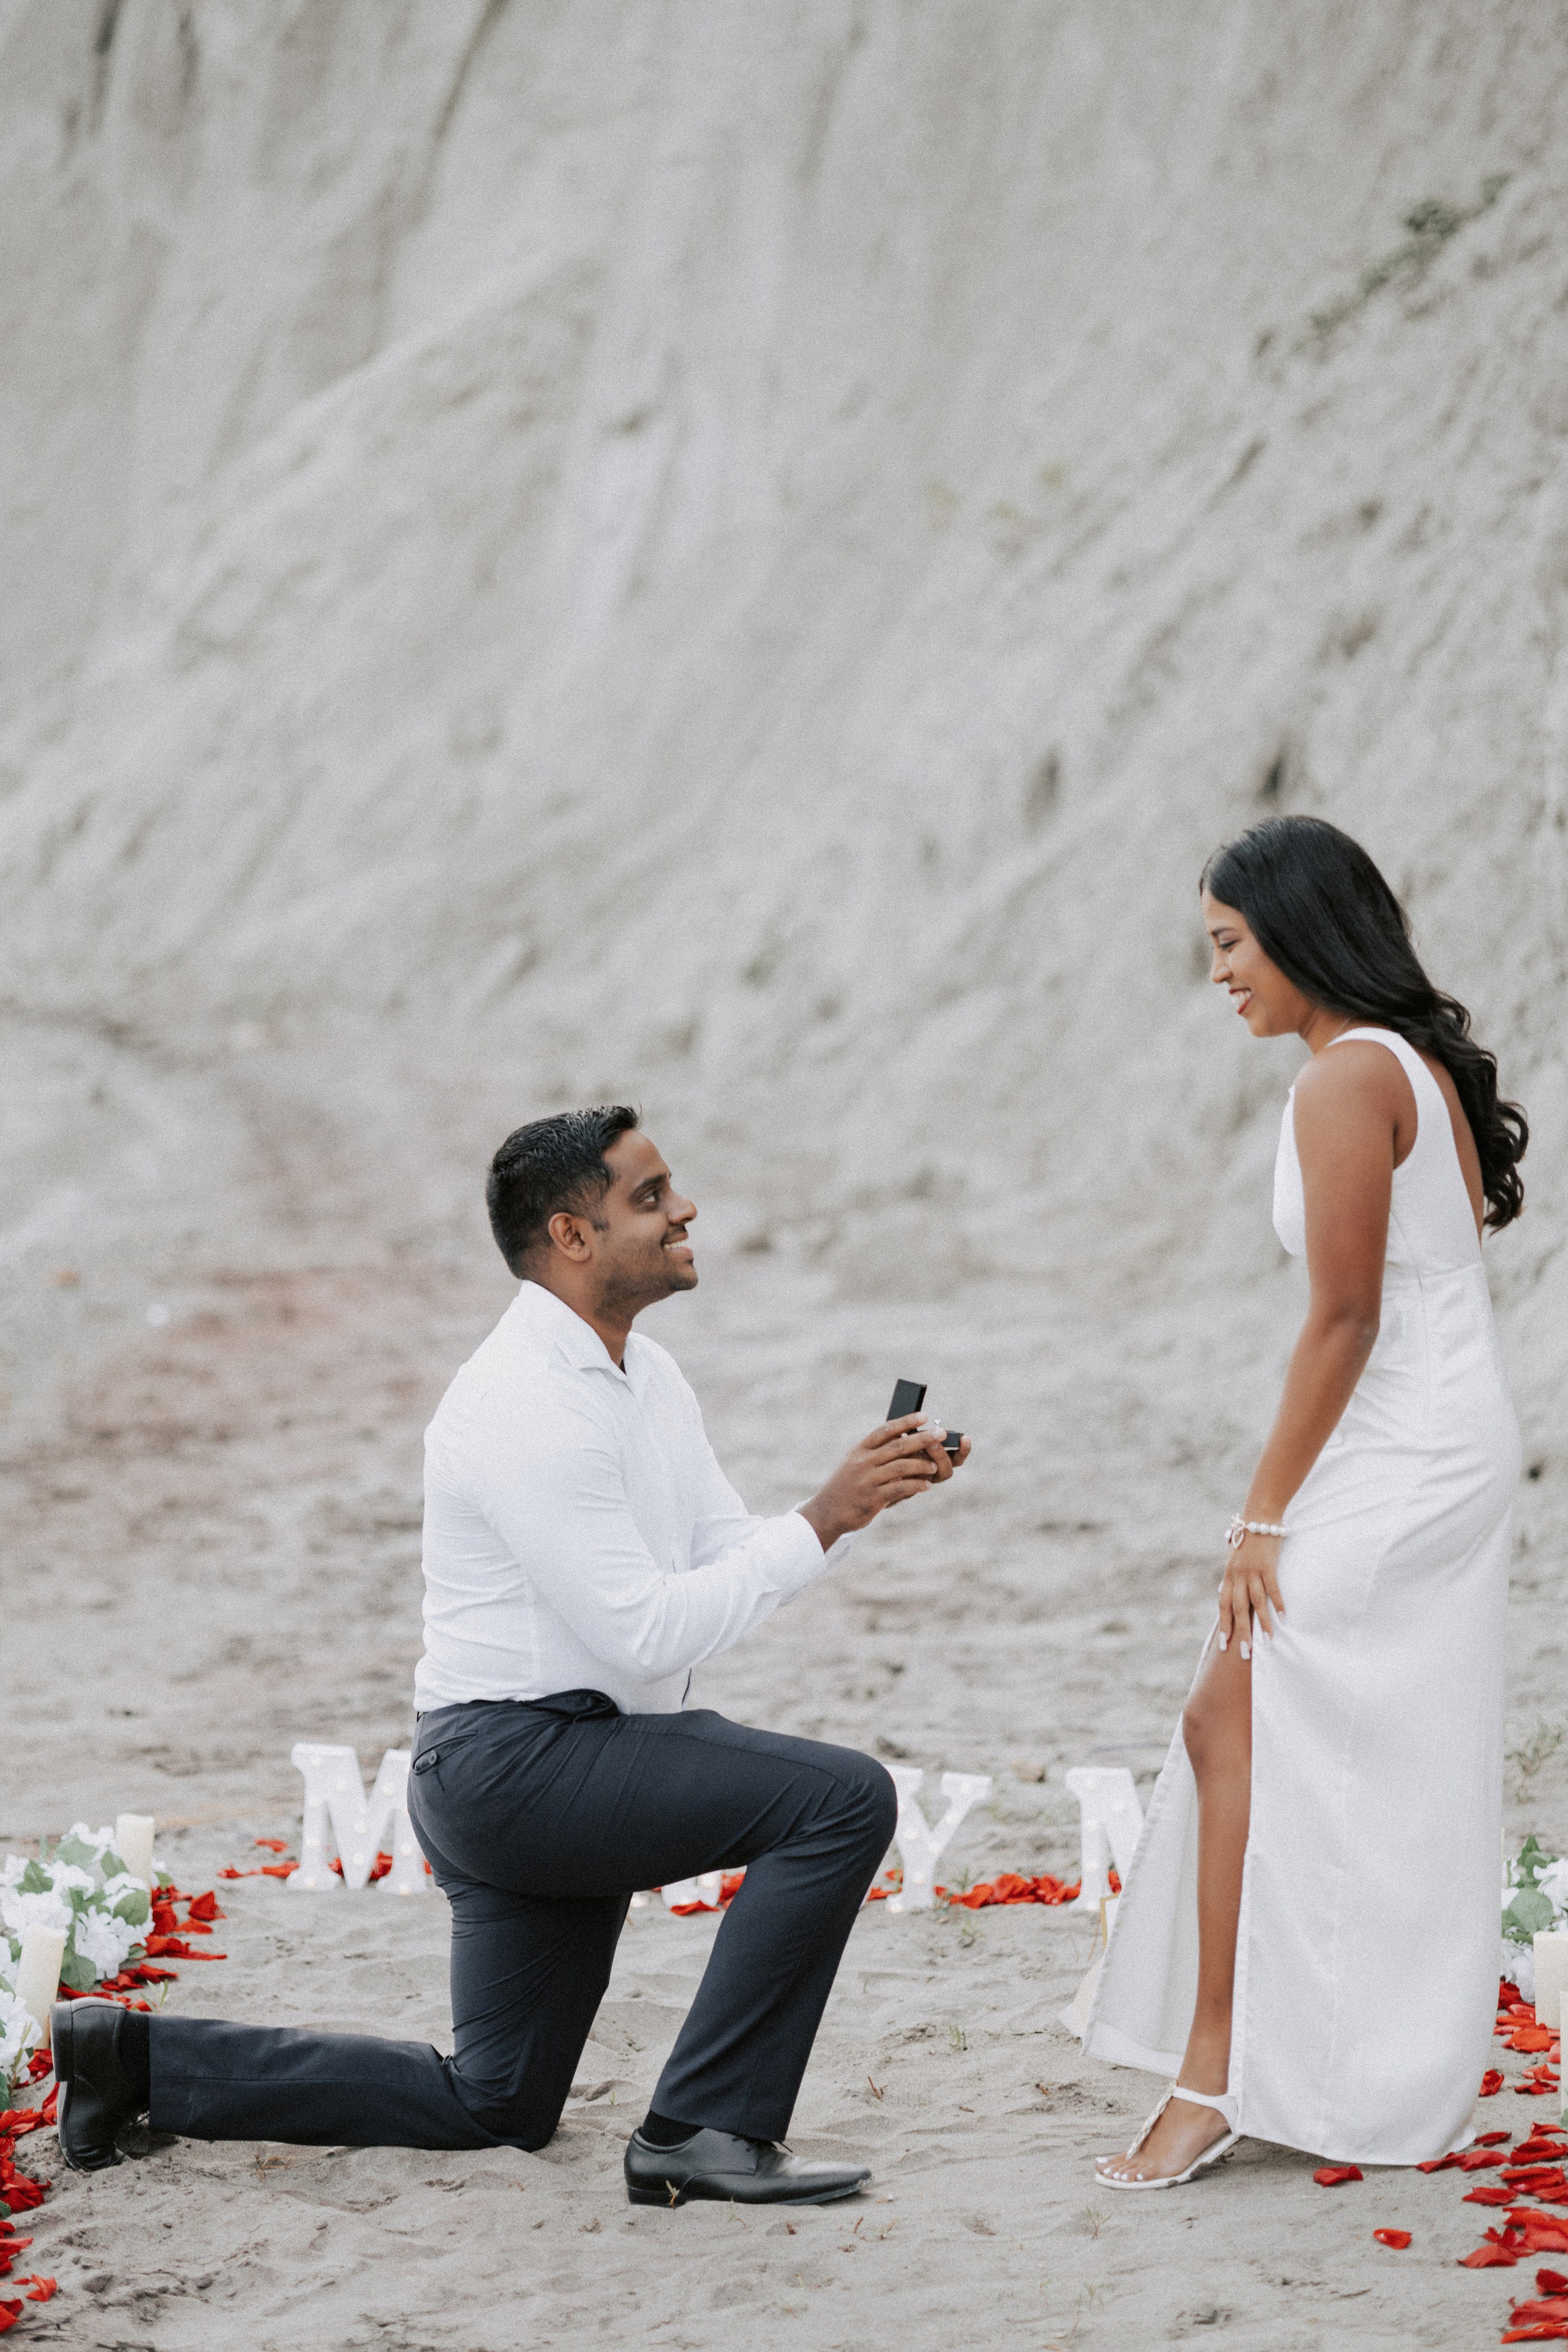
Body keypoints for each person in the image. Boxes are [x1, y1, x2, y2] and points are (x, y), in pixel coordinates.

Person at [54, 1106, 969, 2207]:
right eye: (650, 1195)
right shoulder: (524, 1400)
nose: (686, 1211)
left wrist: (848, 1504)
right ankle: (701, 2132)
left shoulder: (648, 1377)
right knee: (841, 1800)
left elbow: (725, 1554)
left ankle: (130, 2060)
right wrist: (823, 1518)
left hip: (560, 1768)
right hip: (514, 1770)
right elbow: (646, 1631)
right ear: (572, 1235)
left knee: (495, 2106)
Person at [1091, 815, 1526, 2188]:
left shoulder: (1343, 1082)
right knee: (1236, 1717)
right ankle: (1249, 2059)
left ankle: (1221, 2073)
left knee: (1245, 1709)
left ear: (1295, 931)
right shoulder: (1393, 1063)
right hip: (1420, 1440)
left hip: (1406, 1453)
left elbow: (1340, 1317)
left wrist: (1259, 1516)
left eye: (1227, 943)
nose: (1217, 973)